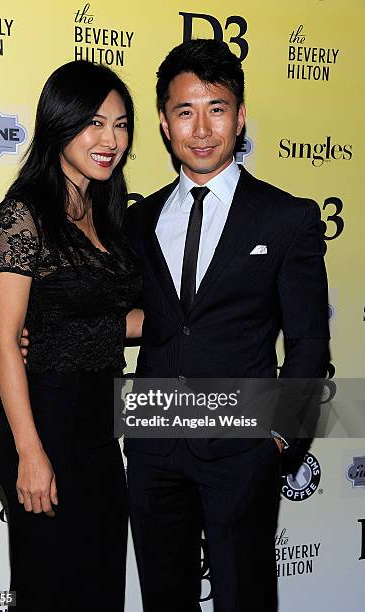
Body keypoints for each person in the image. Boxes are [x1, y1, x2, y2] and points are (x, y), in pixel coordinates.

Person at [123, 39, 330, 612]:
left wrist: (283, 437)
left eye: (216, 108)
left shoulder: (288, 216)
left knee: (245, 597)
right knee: (165, 599)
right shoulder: (137, 219)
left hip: (243, 446)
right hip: (153, 442)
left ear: (240, 117)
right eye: (185, 111)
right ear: (164, 123)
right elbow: (127, 316)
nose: (202, 128)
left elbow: (310, 339)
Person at [0, 60, 142, 612]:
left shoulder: (105, 212)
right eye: (95, 123)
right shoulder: (22, 216)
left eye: (121, 125)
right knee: (50, 593)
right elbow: (5, 342)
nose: (111, 140)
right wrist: (30, 452)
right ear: (60, 123)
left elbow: (106, 320)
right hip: (43, 427)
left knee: (101, 592)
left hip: (100, 436)